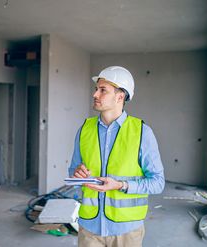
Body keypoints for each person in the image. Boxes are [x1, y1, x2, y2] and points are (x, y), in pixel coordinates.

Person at [69, 66, 165, 247]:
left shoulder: (142, 132)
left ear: (120, 97)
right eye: (96, 89)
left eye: (102, 90)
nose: (95, 94)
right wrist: (77, 173)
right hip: (90, 228)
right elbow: (73, 171)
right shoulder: (84, 129)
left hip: (126, 232)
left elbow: (158, 182)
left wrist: (121, 185)